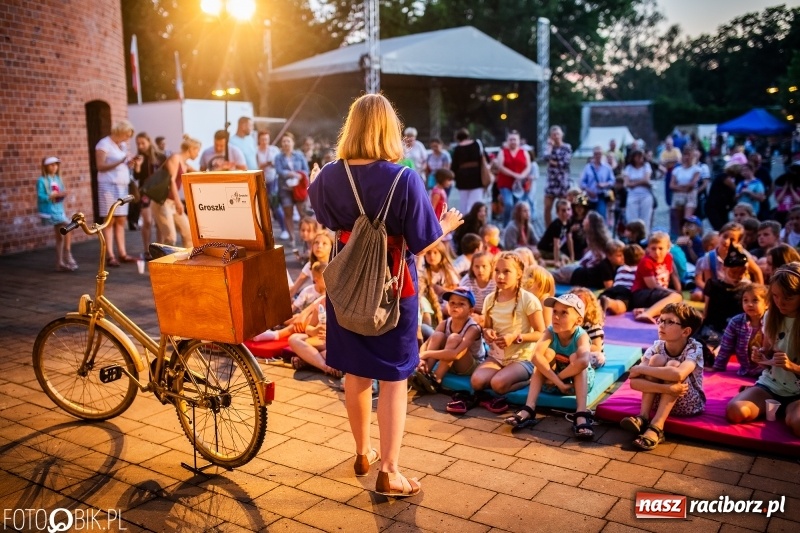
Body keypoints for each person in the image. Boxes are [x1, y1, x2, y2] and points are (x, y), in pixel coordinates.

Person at [307, 93, 463, 497]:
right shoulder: (404, 177)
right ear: (389, 129)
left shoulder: (328, 175)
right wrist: (444, 225)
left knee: (355, 372)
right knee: (394, 378)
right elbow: (420, 241)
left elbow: (324, 218)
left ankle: (363, 452)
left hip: (344, 286)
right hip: (395, 286)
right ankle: (390, 471)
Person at [449, 252, 544, 415]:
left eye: (507, 271)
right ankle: (503, 376)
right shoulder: (490, 299)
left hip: (523, 358)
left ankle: (530, 378)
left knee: (498, 384)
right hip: (497, 356)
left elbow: (541, 333)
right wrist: (488, 333)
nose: (500, 276)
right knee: (476, 381)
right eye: (497, 271)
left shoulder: (528, 299)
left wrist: (516, 337)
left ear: (519, 273)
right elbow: (487, 328)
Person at [504, 293, 595, 439]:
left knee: (576, 358)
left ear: (578, 320)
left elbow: (584, 361)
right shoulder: (550, 331)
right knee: (544, 356)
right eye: (555, 312)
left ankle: (581, 414)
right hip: (553, 383)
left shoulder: (581, 335)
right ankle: (529, 408)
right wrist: (557, 382)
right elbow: (535, 357)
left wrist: (558, 379)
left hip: (574, 385)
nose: (556, 317)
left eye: (564, 313)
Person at [726, 263, 800, 437]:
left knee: (798, 424)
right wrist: (761, 355)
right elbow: (768, 350)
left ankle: (789, 410)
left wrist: (793, 367)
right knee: (735, 411)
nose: (780, 302)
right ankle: (781, 408)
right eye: (775, 296)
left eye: (788, 298)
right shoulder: (770, 316)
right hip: (771, 386)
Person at [620, 303, 705, 451]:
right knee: (657, 359)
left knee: (673, 364)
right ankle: (643, 417)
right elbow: (634, 382)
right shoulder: (657, 346)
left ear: (685, 331)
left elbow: (679, 374)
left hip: (688, 402)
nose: (661, 325)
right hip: (661, 397)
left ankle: (657, 426)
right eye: (661, 320)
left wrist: (641, 368)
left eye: (670, 322)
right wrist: (667, 388)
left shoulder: (694, 348)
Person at [411, 288, 485, 393]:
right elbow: (427, 344)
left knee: (454, 338)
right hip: (448, 362)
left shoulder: (473, 328)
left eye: (461, 304)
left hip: (467, 365)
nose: (455, 306)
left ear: (471, 311)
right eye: (452, 303)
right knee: (437, 336)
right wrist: (422, 359)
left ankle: (436, 380)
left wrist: (426, 354)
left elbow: (455, 355)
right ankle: (424, 372)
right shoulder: (444, 323)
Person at [95, 119, 137, 266]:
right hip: (108, 185)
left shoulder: (123, 145)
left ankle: (123, 253)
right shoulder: (103, 144)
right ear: (119, 132)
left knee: (121, 220)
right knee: (109, 221)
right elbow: (100, 166)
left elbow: (124, 163)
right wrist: (120, 162)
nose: (128, 138)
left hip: (122, 186)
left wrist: (129, 163)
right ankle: (110, 255)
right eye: (127, 134)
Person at [698, 245, 749, 356]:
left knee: (731, 341)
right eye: (733, 272)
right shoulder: (713, 284)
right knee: (705, 339)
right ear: (724, 268)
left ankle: (716, 353)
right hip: (714, 325)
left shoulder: (747, 288)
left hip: (735, 328)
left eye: (741, 272)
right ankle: (710, 351)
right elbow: (706, 311)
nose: (737, 276)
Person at [152, 135, 199, 248]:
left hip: (173, 203)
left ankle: (190, 262)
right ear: (191, 149)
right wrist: (179, 202)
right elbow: (171, 181)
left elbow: (200, 174)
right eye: (197, 150)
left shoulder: (185, 164)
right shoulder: (175, 158)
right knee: (171, 238)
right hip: (163, 202)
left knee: (189, 234)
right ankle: (163, 264)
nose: (198, 154)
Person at [712, 283, 767, 376]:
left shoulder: (772, 322)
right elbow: (726, 346)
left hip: (769, 371)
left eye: (755, 300)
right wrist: (718, 366)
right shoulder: (736, 322)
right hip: (745, 370)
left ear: (767, 304)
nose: (749, 304)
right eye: (745, 300)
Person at [631, 232, 684, 324]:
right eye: (653, 249)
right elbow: (652, 286)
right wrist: (674, 293)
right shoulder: (646, 262)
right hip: (641, 294)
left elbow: (674, 274)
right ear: (648, 249)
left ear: (668, 248)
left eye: (660, 248)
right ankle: (647, 313)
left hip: (657, 293)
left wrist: (679, 290)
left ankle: (645, 309)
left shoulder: (669, 257)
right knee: (676, 298)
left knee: (680, 304)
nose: (657, 252)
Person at [37, 156, 76, 271]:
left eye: (56, 165)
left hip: (59, 210)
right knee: (69, 225)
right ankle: (68, 253)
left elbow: (61, 193)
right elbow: (40, 196)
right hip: (50, 211)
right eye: (51, 165)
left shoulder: (58, 179)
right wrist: (52, 196)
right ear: (45, 166)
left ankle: (59, 263)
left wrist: (62, 195)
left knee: (59, 237)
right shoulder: (42, 180)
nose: (54, 167)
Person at [131, 132, 167, 258]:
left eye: (142, 143)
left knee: (159, 222)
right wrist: (137, 167)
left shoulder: (160, 156)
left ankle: (160, 249)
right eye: (138, 144)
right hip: (145, 192)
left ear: (149, 141)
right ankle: (146, 249)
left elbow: (166, 174)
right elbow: (136, 177)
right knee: (147, 221)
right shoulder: (139, 158)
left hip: (158, 192)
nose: (140, 146)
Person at [275, 132, 311, 247]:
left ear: (292, 143)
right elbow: (279, 171)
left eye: (288, 141)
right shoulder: (278, 157)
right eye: (284, 141)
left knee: (302, 213)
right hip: (285, 189)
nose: (286, 143)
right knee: (288, 213)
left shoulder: (299, 155)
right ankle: (292, 238)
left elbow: (306, 169)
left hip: (299, 188)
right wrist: (290, 173)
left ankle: (304, 236)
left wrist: (300, 175)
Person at [493, 131, 532, 226]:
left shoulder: (524, 152)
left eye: (515, 139)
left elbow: (528, 166)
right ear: (507, 141)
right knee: (508, 203)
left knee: (518, 206)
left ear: (519, 141)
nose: (513, 141)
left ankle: (517, 226)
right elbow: (500, 167)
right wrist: (514, 175)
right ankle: (506, 225)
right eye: (511, 139)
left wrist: (522, 175)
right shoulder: (503, 152)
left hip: (520, 185)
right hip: (505, 184)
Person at [451, 128, 488, 215]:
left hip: (462, 178)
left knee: (463, 204)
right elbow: (485, 158)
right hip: (477, 177)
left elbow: (454, 166)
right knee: (476, 202)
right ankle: (475, 221)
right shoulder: (477, 144)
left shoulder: (457, 148)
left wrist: (455, 177)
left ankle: (465, 223)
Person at [256, 129, 286, 237]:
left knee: (275, 204)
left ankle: (283, 229)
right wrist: (266, 163)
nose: (264, 141)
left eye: (266, 139)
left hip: (273, 180)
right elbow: (256, 166)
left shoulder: (274, 149)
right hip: (260, 181)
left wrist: (273, 164)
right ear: (259, 140)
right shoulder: (256, 151)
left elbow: (279, 164)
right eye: (262, 139)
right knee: (262, 207)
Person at [600, 243, 644, 315]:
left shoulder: (621, 268)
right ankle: (609, 302)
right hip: (626, 290)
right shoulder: (639, 269)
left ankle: (598, 303)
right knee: (622, 304)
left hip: (614, 288)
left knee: (605, 295)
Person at [542, 126, 572, 227]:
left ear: (562, 135)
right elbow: (545, 157)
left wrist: (553, 162)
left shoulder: (567, 147)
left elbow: (565, 163)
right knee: (547, 208)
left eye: (558, 134)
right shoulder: (549, 147)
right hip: (551, 182)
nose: (556, 136)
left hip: (562, 182)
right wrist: (550, 148)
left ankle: (564, 227)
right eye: (554, 135)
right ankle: (549, 230)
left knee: (564, 207)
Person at [571, 287, 607, 368]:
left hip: (590, 354)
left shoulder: (592, 326)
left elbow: (597, 347)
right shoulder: (570, 324)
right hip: (573, 354)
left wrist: (579, 346)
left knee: (598, 357)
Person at [669, 148, 701, 238]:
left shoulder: (696, 169)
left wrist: (679, 186)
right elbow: (671, 185)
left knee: (687, 219)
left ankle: (688, 237)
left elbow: (692, 184)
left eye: (689, 155)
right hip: (678, 195)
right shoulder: (677, 170)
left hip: (690, 195)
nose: (686, 157)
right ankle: (678, 237)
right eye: (685, 155)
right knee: (677, 220)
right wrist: (683, 187)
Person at [579, 146, 615, 220]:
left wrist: (604, 184)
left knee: (600, 217)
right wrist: (588, 190)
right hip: (588, 196)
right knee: (586, 217)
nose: (598, 156)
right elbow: (582, 182)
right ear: (593, 155)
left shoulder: (607, 167)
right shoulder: (588, 167)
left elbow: (612, 181)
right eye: (596, 154)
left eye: (600, 154)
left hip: (600, 196)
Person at [458, 251, 496, 317]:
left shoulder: (496, 282)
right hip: (472, 315)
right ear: (472, 268)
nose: (480, 270)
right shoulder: (467, 281)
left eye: (484, 266)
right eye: (476, 266)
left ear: (491, 267)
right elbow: (460, 301)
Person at [537, 199, 574, 264]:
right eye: (563, 210)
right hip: (545, 249)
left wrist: (572, 256)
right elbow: (556, 245)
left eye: (568, 209)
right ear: (557, 212)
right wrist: (556, 261)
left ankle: (548, 261)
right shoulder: (556, 225)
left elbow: (569, 239)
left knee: (566, 258)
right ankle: (545, 261)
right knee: (564, 260)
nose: (566, 213)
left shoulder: (568, 222)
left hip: (554, 249)